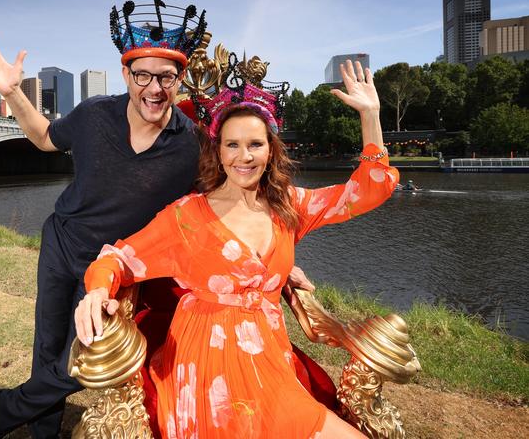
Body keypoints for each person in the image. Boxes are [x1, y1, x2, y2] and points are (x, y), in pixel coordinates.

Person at [74, 59, 399, 438]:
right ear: (218, 151)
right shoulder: (187, 217)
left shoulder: (289, 207)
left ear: (271, 150)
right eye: (232, 145)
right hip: (205, 363)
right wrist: (97, 292)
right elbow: (117, 258)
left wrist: (371, 115)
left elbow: (369, 190)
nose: (244, 157)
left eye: (255, 144)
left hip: (270, 358)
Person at [0, 0, 208, 438]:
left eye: (166, 77)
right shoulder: (95, 113)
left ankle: (4, 407)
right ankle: (42, 432)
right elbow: (44, 138)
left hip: (116, 267)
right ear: (125, 74)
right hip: (62, 244)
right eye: (143, 75)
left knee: (83, 359)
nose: (154, 88)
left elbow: (224, 206)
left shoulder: (192, 145)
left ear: (180, 79)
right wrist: (11, 92)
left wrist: (280, 259)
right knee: (48, 348)